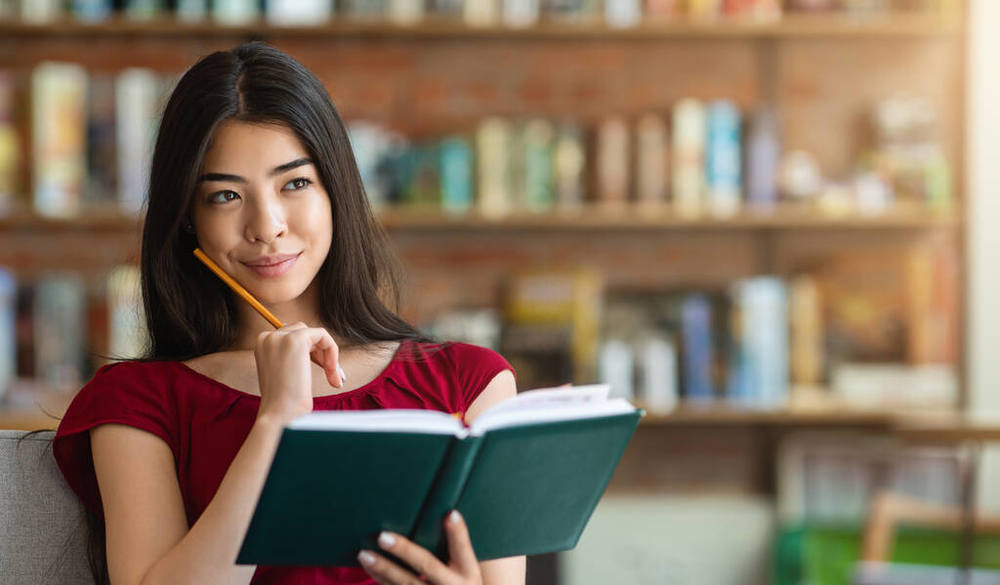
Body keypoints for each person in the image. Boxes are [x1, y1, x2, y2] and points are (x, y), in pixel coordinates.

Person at [52, 42, 525, 585]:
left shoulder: (471, 383)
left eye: (295, 183)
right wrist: (275, 424)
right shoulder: (139, 401)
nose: (267, 225)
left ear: (335, 192)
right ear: (187, 219)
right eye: (226, 196)